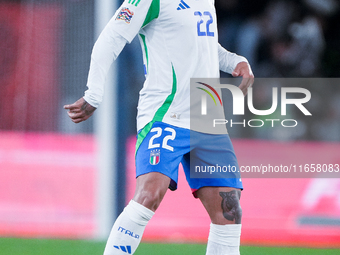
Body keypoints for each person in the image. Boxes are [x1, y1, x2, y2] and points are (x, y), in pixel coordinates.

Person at [64, 0, 254, 254]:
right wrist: (94, 94)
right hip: (166, 114)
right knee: (150, 194)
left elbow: (203, 45)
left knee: (229, 210)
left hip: (207, 117)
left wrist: (234, 61)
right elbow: (111, 37)